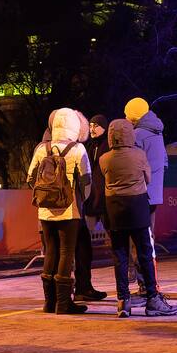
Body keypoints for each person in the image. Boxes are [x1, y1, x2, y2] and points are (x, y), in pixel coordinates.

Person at [100, 118, 176, 316]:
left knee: (120, 255)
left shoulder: (104, 158)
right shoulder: (139, 155)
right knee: (144, 253)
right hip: (137, 206)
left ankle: (122, 301)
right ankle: (152, 298)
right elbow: (148, 178)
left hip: (114, 208)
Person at [28, 108, 93, 315]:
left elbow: (30, 178)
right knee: (67, 252)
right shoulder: (78, 149)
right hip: (69, 209)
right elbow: (87, 180)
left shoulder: (42, 148)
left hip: (45, 210)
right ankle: (64, 304)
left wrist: (45, 198)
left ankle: (49, 302)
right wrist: (79, 199)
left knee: (51, 251)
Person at [126, 98, 167, 298]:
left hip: (140, 194)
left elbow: (134, 166)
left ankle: (146, 286)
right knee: (147, 241)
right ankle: (150, 285)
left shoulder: (138, 135)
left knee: (139, 243)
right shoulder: (157, 133)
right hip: (154, 195)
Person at [73, 113, 108, 302]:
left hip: (105, 201)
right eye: (91, 125)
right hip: (90, 201)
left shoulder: (108, 146)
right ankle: (83, 285)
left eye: (97, 125)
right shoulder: (85, 147)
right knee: (83, 244)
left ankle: (126, 287)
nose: (93, 129)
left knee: (117, 244)